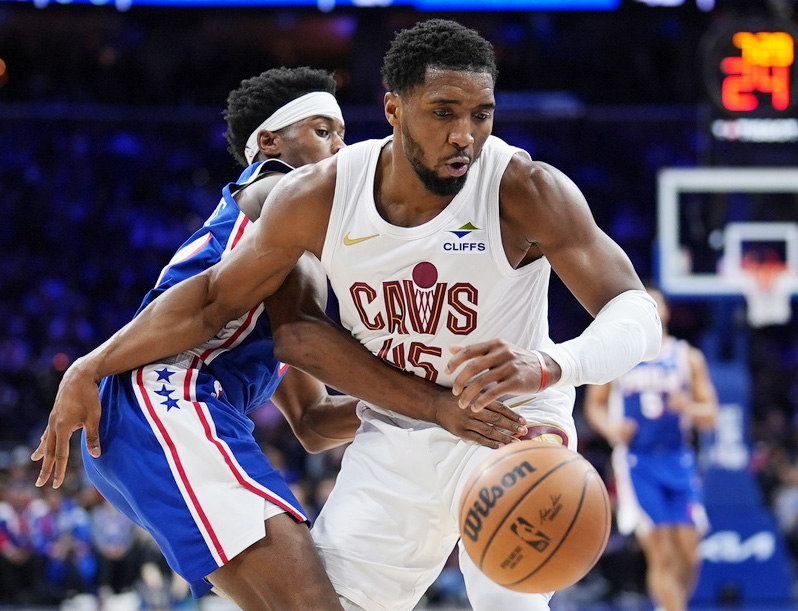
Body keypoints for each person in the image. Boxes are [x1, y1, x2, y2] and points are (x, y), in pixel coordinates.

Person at [33, 20, 662, 610]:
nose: (465, 135)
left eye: (481, 114)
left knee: (507, 594)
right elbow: (221, 302)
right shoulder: (317, 194)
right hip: (399, 431)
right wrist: (89, 366)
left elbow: (638, 313)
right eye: (444, 112)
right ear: (393, 110)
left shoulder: (522, 187)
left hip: (506, 420)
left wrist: (551, 364)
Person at [584, 286, 718, 611]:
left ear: (666, 312)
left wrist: (688, 407)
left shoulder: (687, 357)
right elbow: (594, 406)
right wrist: (612, 428)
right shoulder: (620, 356)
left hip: (678, 459)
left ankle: (668, 606)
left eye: (655, 305)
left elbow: (711, 415)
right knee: (662, 553)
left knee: (690, 553)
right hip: (637, 462)